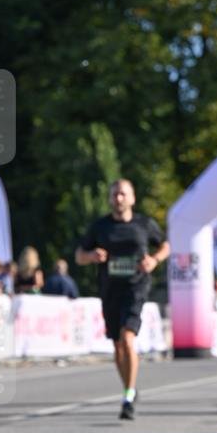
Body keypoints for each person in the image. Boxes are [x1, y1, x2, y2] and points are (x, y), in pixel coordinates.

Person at [76, 179, 169, 419]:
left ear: (132, 198)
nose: (119, 199)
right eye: (115, 194)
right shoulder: (100, 227)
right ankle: (130, 387)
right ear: (110, 198)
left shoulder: (144, 224)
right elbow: (79, 256)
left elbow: (165, 246)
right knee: (117, 345)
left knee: (128, 339)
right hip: (110, 289)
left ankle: (128, 396)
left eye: (123, 194)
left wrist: (155, 260)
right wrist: (91, 255)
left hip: (136, 287)